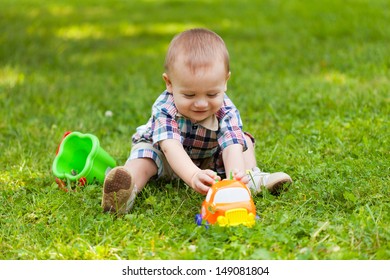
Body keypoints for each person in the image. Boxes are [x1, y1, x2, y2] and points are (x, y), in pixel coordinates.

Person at [102, 28, 292, 214]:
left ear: (225, 81)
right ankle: (126, 189)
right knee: (144, 157)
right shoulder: (164, 108)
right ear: (169, 83)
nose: (201, 104)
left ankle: (249, 179)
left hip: (207, 158)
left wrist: (234, 178)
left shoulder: (226, 110)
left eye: (212, 94)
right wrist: (192, 176)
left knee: (244, 142)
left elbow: (231, 144)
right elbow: (170, 147)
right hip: (165, 157)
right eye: (189, 94)